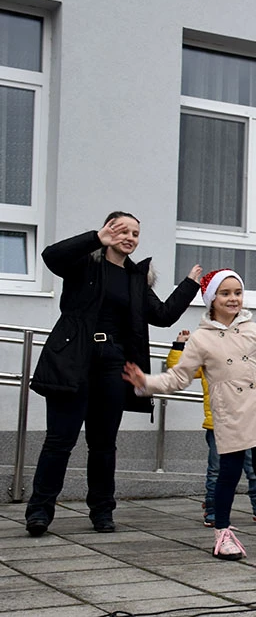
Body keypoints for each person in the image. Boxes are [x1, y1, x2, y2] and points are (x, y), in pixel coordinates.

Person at [26, 212, 201, 537]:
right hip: (73, 360)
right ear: (108, 230)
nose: (130, 237)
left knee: (103, 444)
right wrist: (95, 238)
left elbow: (162, 315)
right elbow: (51, 256)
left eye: (135, 232)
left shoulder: (136, 277)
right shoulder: (83, 264)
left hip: (113, 366)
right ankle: (39, 512)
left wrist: (190, 284)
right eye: (122, 230)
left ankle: (102, 512)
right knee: (59, 440)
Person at [124, 269, 256, 560]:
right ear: (211, 299)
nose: (233, 299)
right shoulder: (201, 339)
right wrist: (148, 382)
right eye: (225, 293)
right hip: (230, 413)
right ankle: (223, 533)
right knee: (228, 473)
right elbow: (179, 377)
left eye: (237, 293)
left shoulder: (252, 328)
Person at [167, 329, 256, 527]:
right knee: (217, 470)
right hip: (218, 425)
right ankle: (213, 510)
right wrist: (179, 345)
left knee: (253, 468)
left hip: (247, 423)